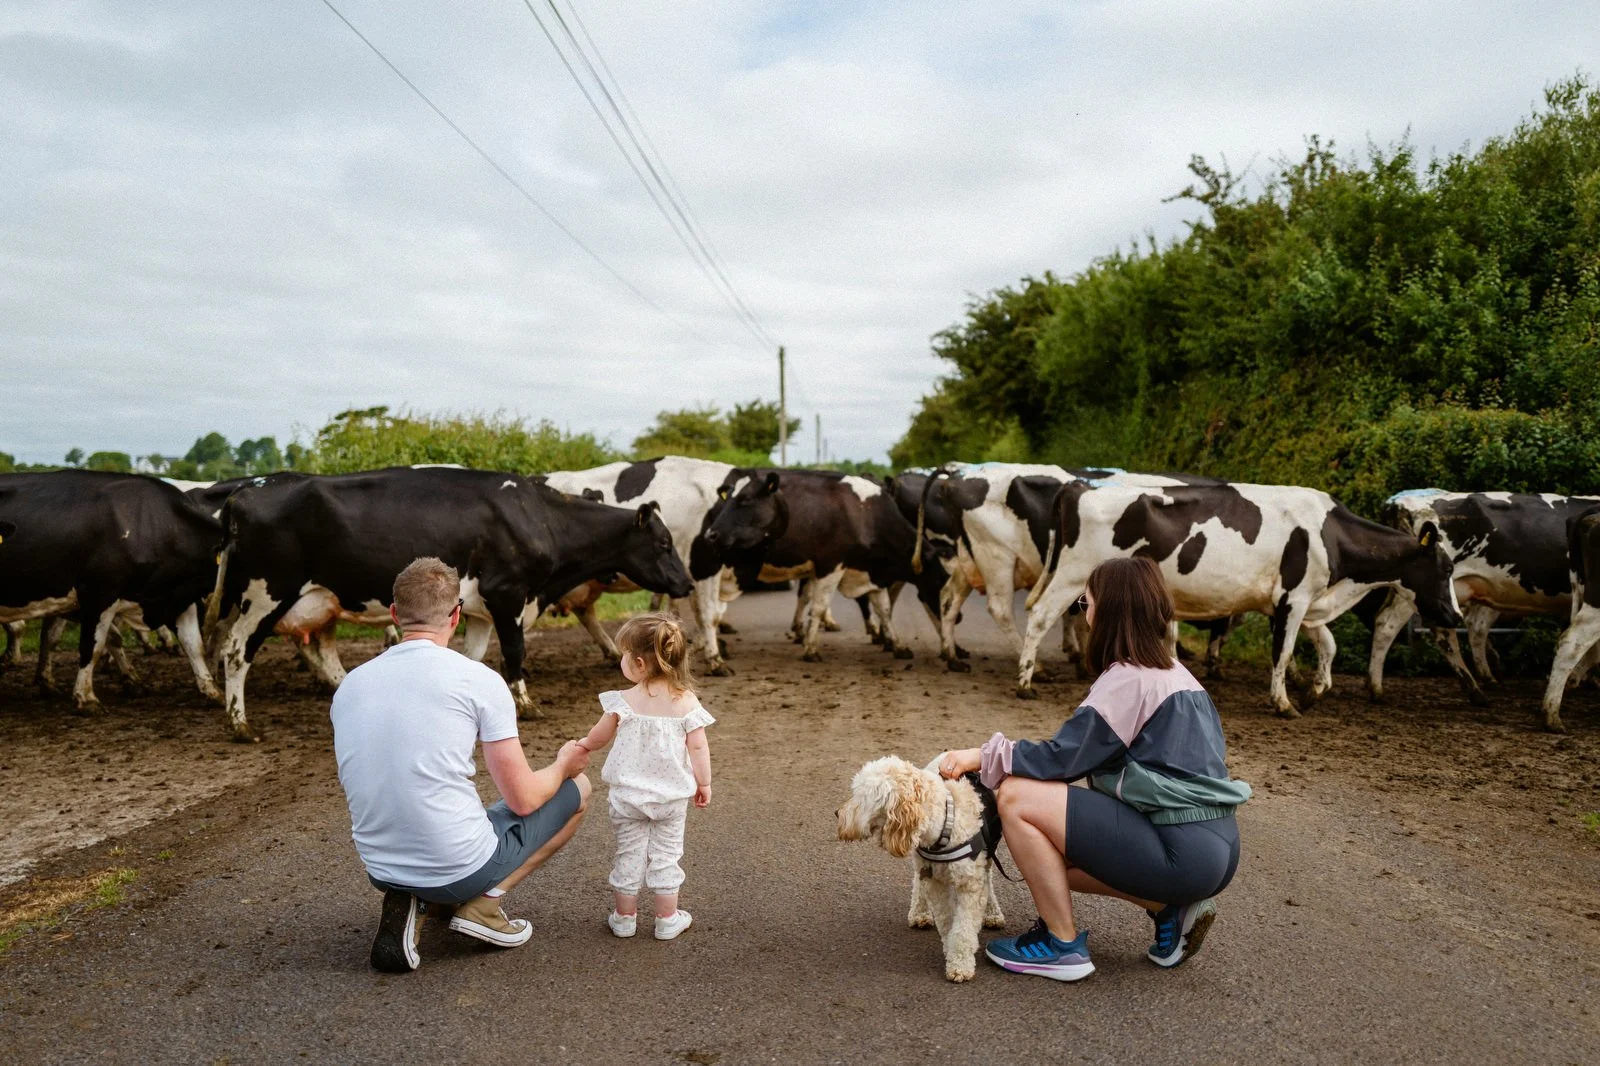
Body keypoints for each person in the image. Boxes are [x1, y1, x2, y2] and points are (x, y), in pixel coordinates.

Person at [939, 556, 1251, 982]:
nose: (1083, 613)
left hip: (1181, 851)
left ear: (1110, 610)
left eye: (1084, 603)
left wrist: (981, 755)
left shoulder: (1130, 677)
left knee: (1015, 796)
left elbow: (1061, 759)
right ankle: (1170, 908)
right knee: (1048, 859)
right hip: (1216, 847)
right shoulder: (1178, 674)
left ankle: (1061, 944)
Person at [331, 556, 592, 973]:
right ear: (456, 615)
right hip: (456, 864)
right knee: (578, 792)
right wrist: (563, 764)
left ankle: (416, 898)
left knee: (457, 806)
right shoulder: (479, 680)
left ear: (395, 614)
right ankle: (483, 907)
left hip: (379, 865)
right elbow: (524, 800)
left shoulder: (351, 684)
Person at [575, 613, 713, 941]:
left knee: (628, 853)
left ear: (638, 663)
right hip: (670, 798)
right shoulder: (686, 703)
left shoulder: (624, 702)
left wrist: (583, 746)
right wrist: (703, 782)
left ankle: (624, 918)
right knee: (666, 854)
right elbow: (698, 747)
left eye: (623, 654)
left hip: (627, 798)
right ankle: (667, 919)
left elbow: (599, 736)